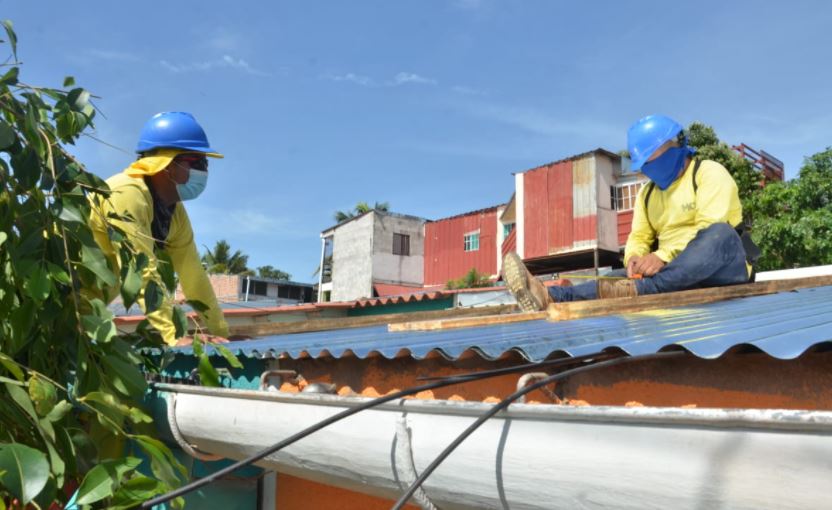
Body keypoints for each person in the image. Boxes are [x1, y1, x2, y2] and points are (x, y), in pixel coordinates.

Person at [503, 114, 755, 312]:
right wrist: (634, 259)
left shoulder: (708, 172)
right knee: (614, 280)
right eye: (644, 164)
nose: (648, 169)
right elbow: (639, 236)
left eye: (653, 161)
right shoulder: (647, 194)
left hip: (721, 268)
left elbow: (710, 227)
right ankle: (550, 296)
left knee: (720, 234)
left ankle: (644, 288)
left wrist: (662, 256)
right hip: (672, 274)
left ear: (675, 147)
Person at [88, 112, 229, 345]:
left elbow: (193, 275)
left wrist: (221, 333)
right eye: (198, 163)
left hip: (86, 311)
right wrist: (173, 335)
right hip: (54, 301)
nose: (204, 171)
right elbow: (141, 270)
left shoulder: (175, 213)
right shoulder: (126, 194)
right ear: (167, 165)